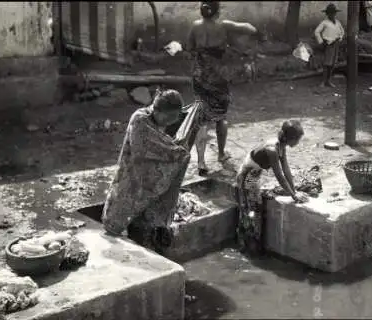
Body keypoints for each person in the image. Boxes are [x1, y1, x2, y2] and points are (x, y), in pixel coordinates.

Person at [101, 89, 191, 252]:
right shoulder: (140, 119)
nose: (171, 121)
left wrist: (176, 150)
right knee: (115, 223)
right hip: (131, 176)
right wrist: (176, 152)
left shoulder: (157, 122)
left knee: (142, 228)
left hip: (146, 183)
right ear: (157, 110)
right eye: (169, 117)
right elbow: (144, 148)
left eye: (174, 118)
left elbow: (162, 143)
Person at [186, 1, 264, 176]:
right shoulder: (224, 25)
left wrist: (202, 53)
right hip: (218, 76)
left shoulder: (195, 26)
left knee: (201, 117)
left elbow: (189, 49)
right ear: (217, 11)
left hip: (200, 75)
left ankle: (201, 162)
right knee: (221, 117)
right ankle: (221, 154)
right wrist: (259, 35)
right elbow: (249, 27)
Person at [235, 120, 309, 255]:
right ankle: (246, 247)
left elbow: (286, 170)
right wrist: (293, 195)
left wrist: (295, 191)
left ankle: (251, 246)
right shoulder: (272, 150)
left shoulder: (282, 146)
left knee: (254, 210)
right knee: (251, 211)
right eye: (297, 140)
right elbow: (279, 176)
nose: (298, 143)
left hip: (255, 176)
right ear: (290, 138)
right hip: (247, 178)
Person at [314, 3, 344, 88]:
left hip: (336, 44)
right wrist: (321, 41)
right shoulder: (324, 23)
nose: (332, 14)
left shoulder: (337, 22)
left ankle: (329, 81)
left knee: (333, 64)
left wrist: (340, 38)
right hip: (328, 44)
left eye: (334, 13)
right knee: (327, 63)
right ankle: (323, 82)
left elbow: (342, 31)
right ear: (327, 14)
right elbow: (316, 32)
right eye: (330, 13)